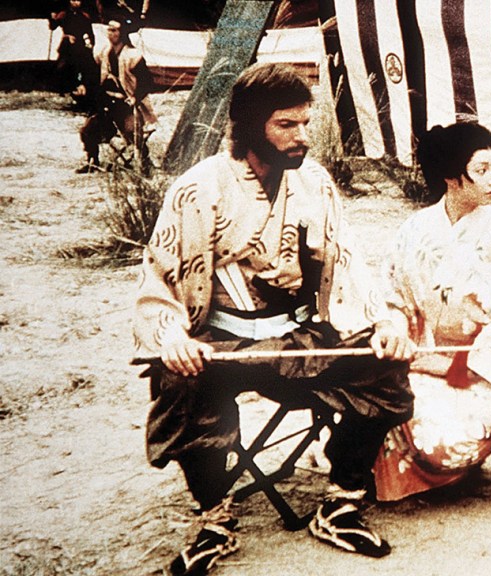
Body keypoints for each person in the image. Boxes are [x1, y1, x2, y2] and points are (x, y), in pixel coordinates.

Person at [135, 63, 415, 575]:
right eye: (286, 125)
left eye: (305, 123)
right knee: (177, 378)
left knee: (385, 368)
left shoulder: (314, 182)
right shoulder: (199, 190)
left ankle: (341, 502)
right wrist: (172, 335)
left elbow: (347, 262)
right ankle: (215, 520)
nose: (300, 137)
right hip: (221, 342)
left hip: (302, 339)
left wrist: (386, 321)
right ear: (248, 126)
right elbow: (161, 279)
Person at [371, 122, 491, 501]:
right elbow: (392, 296)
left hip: (488, 368)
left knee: (451, 442)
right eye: (482, 170)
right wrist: (396, 334)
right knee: (405, 424)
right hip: (425, 361)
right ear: (452, 177)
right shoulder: (414, 230)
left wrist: (464, 364)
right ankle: (490, 444)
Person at [77, 17, 156, 173]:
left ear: (122, 33)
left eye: (114, 30)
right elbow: (94, 77)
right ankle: (93, 161)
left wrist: (135, 97)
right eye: (109, 29)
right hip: (107, 104)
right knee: (87, 130)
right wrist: (84, 86)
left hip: (128, 106)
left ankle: (145, 163)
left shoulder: (133, 56)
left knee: (133, 133)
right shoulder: (102, 53)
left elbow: (147, 82)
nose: (110, 33)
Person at [48, 0, 98, 101]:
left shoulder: (84, 16)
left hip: (80, 45)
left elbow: (90, 32)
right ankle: (62, 90)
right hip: (67, 44)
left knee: (86, 66)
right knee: (62, 66)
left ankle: (83, 90)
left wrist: (91, 43)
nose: (77, 3)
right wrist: (52, 18)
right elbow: (53, 27)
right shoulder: (64, 15)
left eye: (79, 1)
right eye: (74, 0)